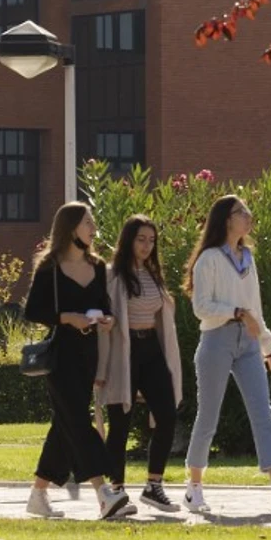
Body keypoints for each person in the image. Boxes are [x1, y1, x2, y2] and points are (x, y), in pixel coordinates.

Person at [183, 195, 271, 515]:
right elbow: (202, 307)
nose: (249, 217)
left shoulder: (248, 259)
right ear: (227, 219)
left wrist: (270, 350)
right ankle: (193, 488)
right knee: (208, 415)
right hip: (216, 339)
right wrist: (237, 312)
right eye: (243, 212)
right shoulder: (209, 259)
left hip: (250, 343)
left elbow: (255, 311)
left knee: (263, 414)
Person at [21, 202, 134, 520]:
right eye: (88, 222)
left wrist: (107, 319)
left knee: (66, 424)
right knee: (79, 423)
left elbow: (103, 304)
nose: (93, 227)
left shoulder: (97, 266)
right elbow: (32, 311)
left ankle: (38, 493)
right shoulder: (50, 266)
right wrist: (67, 317)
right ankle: (104, 494)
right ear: (71, 228)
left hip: (88, 354)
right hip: (61, 355)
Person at [100, 214, 183, 513]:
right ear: (128, 240)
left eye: (151, 240)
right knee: (120, 419)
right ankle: (117, 490)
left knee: (167, 414)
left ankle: (154, 485)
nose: (147, 246)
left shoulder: (152, 274)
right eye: (141, 239)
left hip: (151, 348)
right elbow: (100, 312)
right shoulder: (112, 275)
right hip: (124, 350)